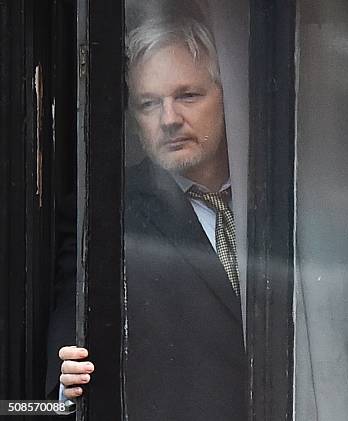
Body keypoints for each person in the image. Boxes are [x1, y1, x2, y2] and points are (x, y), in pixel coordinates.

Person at [47, 16, 246, 420]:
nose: (168, 118)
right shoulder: (107, 213)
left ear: (229, 97)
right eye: (149, 103)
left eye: (188, 95)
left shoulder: (283, 193)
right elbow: (71, 337)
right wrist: (66, 375)